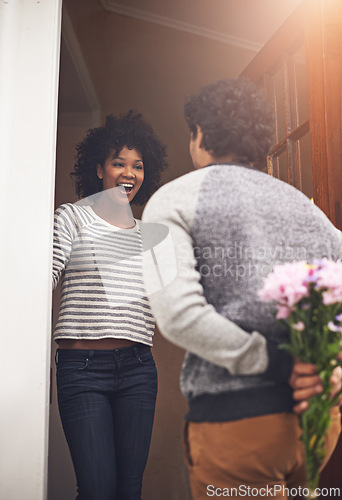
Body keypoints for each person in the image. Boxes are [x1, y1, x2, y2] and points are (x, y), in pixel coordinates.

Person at [141, 78, 342, 499]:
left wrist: (278, 364)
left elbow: (178, 316)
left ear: (198, 135)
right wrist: (329, 368)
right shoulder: (310, 211)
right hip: (317, 426)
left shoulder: (170, 200)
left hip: (239, 426)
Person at [52, 111, 167, 500]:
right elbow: (42, 281)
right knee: (98, 489)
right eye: (119, 162)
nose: (128, 173)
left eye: (137, 165)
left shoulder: (151, 236)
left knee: (128, 490)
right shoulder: (72, 218)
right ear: (99, 168)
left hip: (137, 370)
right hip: (81, 371)